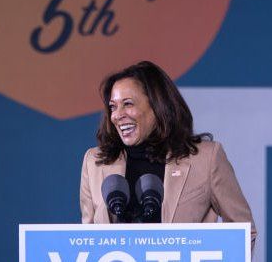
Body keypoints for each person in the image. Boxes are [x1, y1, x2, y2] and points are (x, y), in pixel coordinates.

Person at [79, 61, 256, 249]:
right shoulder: (95, 162)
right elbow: (87, 241)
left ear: (157, 106)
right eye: (113, 107)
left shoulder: (206, 158)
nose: (117, 115)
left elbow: (243, 232)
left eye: (128, 104)